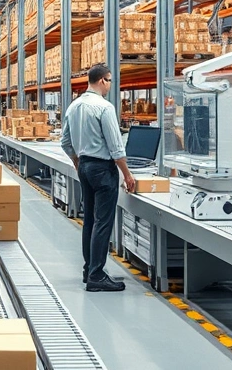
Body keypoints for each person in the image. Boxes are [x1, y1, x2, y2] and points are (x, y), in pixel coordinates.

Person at [60, 63, 136, 292]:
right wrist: (127, 174)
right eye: (110, 80)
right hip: (103, 169)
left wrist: (78, 162)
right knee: (103, 222)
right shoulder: (104, 107)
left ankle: (89, 270)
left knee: (90, 221)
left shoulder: (74, 106)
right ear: (102, 80)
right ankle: (97, 276)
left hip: (85, 167)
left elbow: (65, 142)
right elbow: (116, 147)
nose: (110, 85)